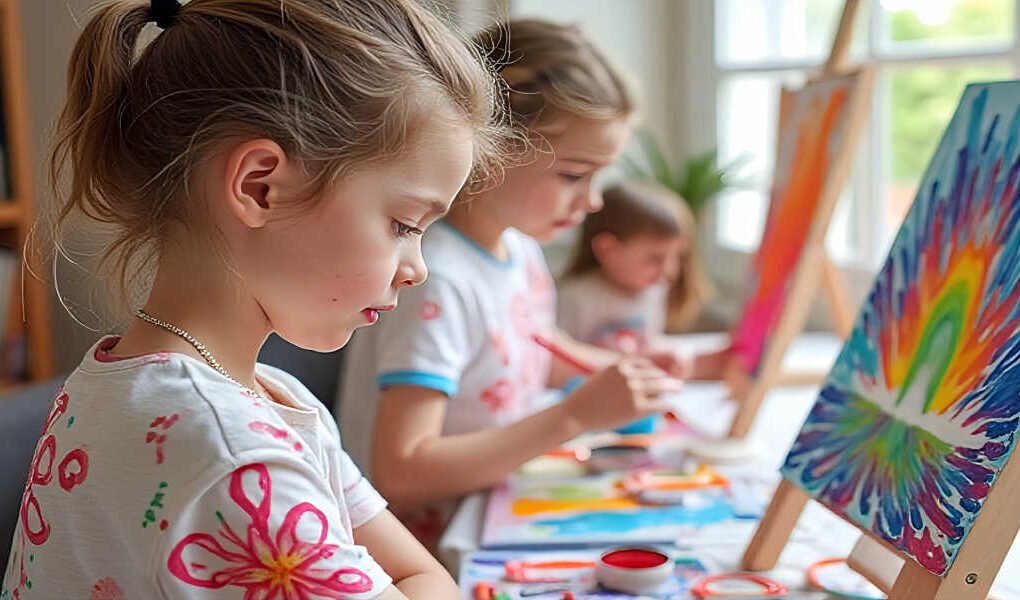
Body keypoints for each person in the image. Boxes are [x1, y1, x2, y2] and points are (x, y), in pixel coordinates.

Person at [1, 0, 503, 597]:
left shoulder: (243, 397)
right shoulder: (233, 455)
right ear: (259, 186)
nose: (417, 269)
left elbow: (421, 575)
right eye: (403, 224)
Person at [338, 19, 687, 552]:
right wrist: (575, 414)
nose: (593, 202)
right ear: (490, 147)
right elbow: (401, 472)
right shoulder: (437, 280)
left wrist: (616, 373)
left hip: (489, 512)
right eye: (573, 175)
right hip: (423, 552)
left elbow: (525, 352)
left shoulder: (519, 251)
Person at [558, 180, 713, 354]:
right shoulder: (574, 299)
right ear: (607, 249)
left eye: (678, 256)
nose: (669, 270)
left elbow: (649, 344)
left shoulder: (655, 291)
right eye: (656, 258)